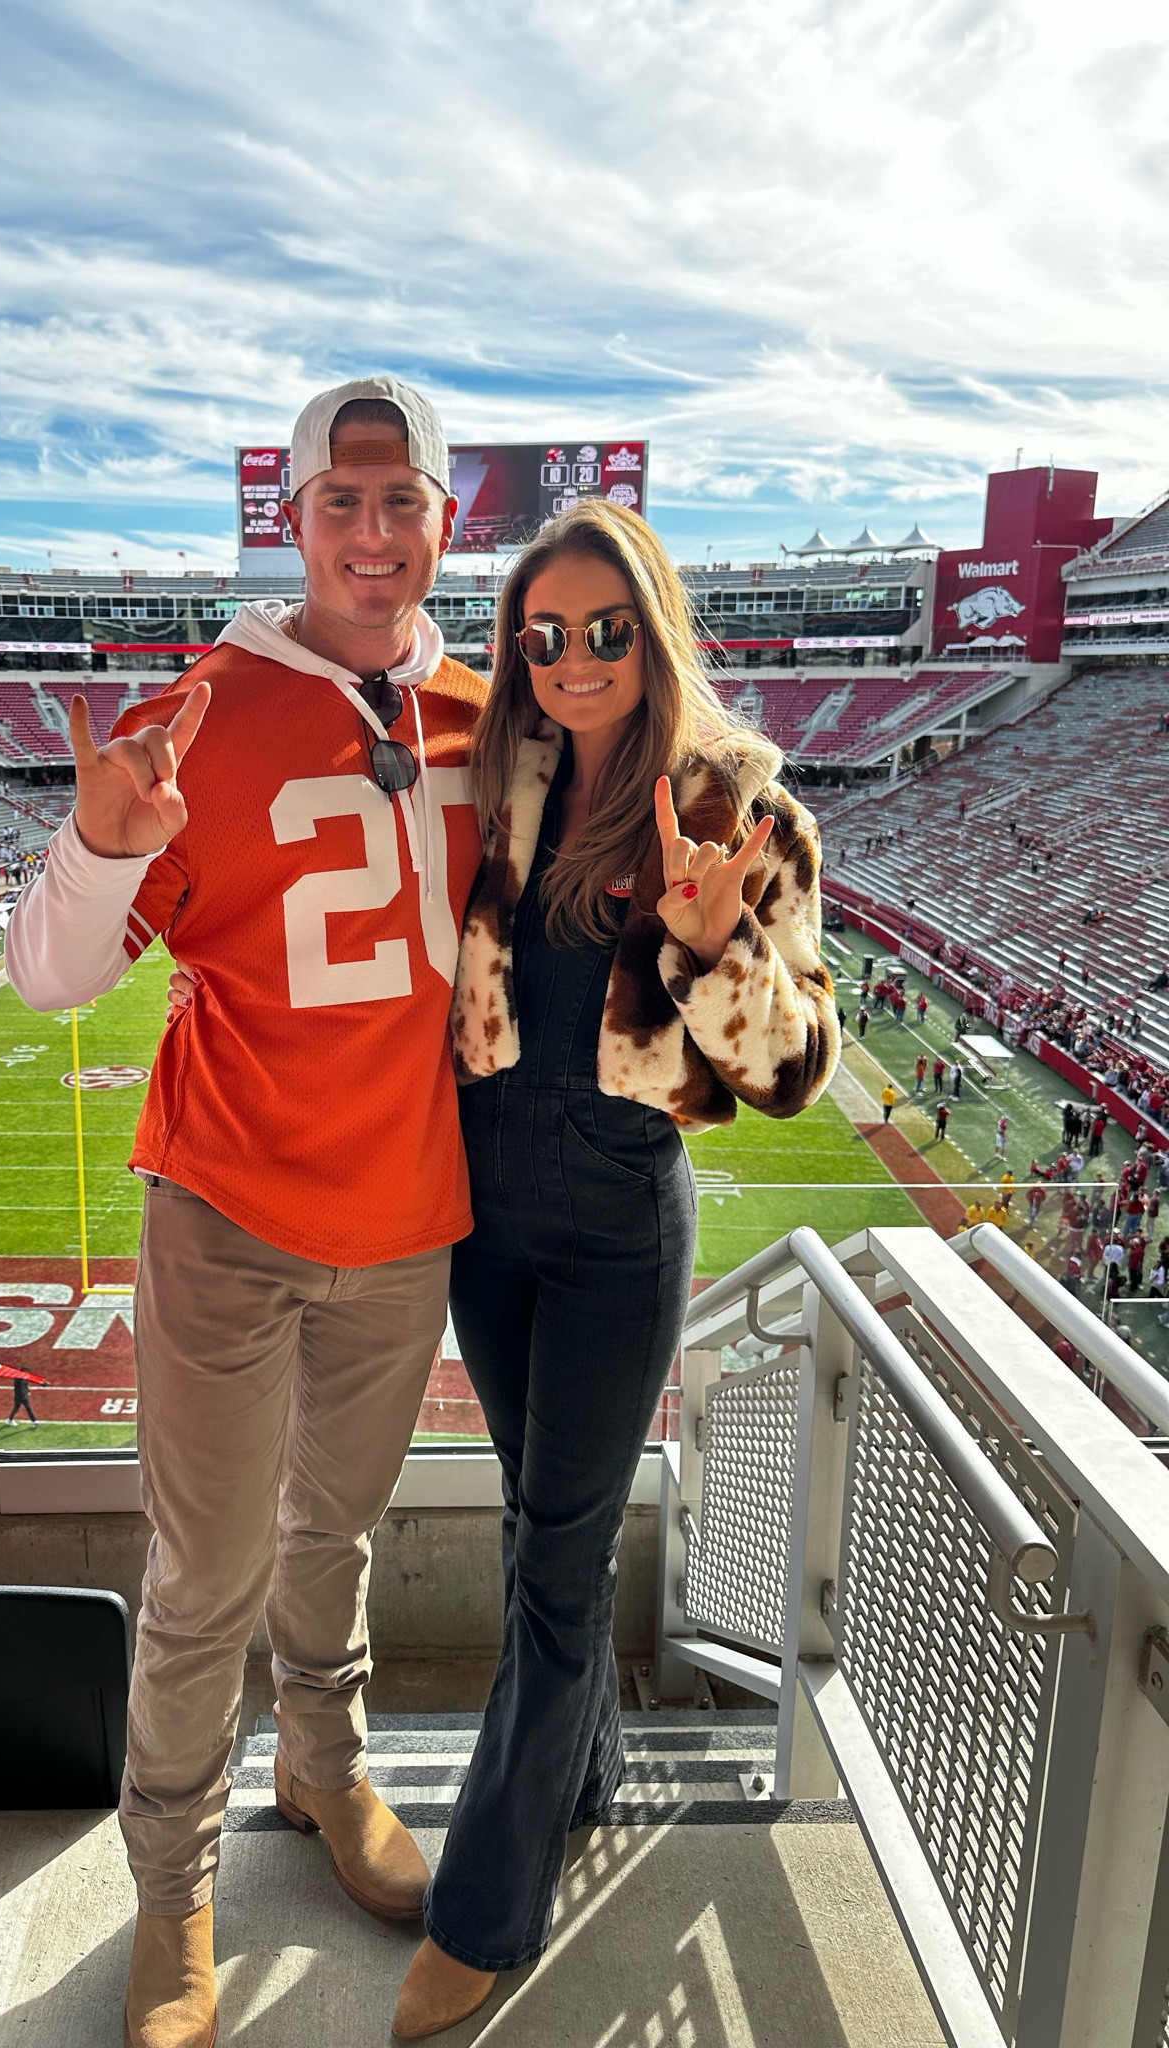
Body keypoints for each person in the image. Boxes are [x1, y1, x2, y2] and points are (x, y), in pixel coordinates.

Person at [6, 377, 484, 2048]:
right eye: (338, 501)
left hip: (409, 1220)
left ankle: (323, 1772)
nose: (371, 529)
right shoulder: (203, 712)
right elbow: (52, 980)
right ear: (289, 521)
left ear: (446, 519)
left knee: (335, 1545)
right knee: (206, 1572)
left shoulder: (494, 717)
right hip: (226, 1211)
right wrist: (97, 844)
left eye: (400, 498)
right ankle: (173, 1888)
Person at [392, 499, 838, 2038]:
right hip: (483, 1217)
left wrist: (722, 945)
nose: (572, 660)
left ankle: (483, 1909)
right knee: (534, 1517)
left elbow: (791, 1078)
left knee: (557, 1573)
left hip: (613, 1225)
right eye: (543, 635)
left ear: (654, 628)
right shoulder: (499, 776)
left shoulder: (741, 806)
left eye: (603, 630)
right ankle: (583, 1775)